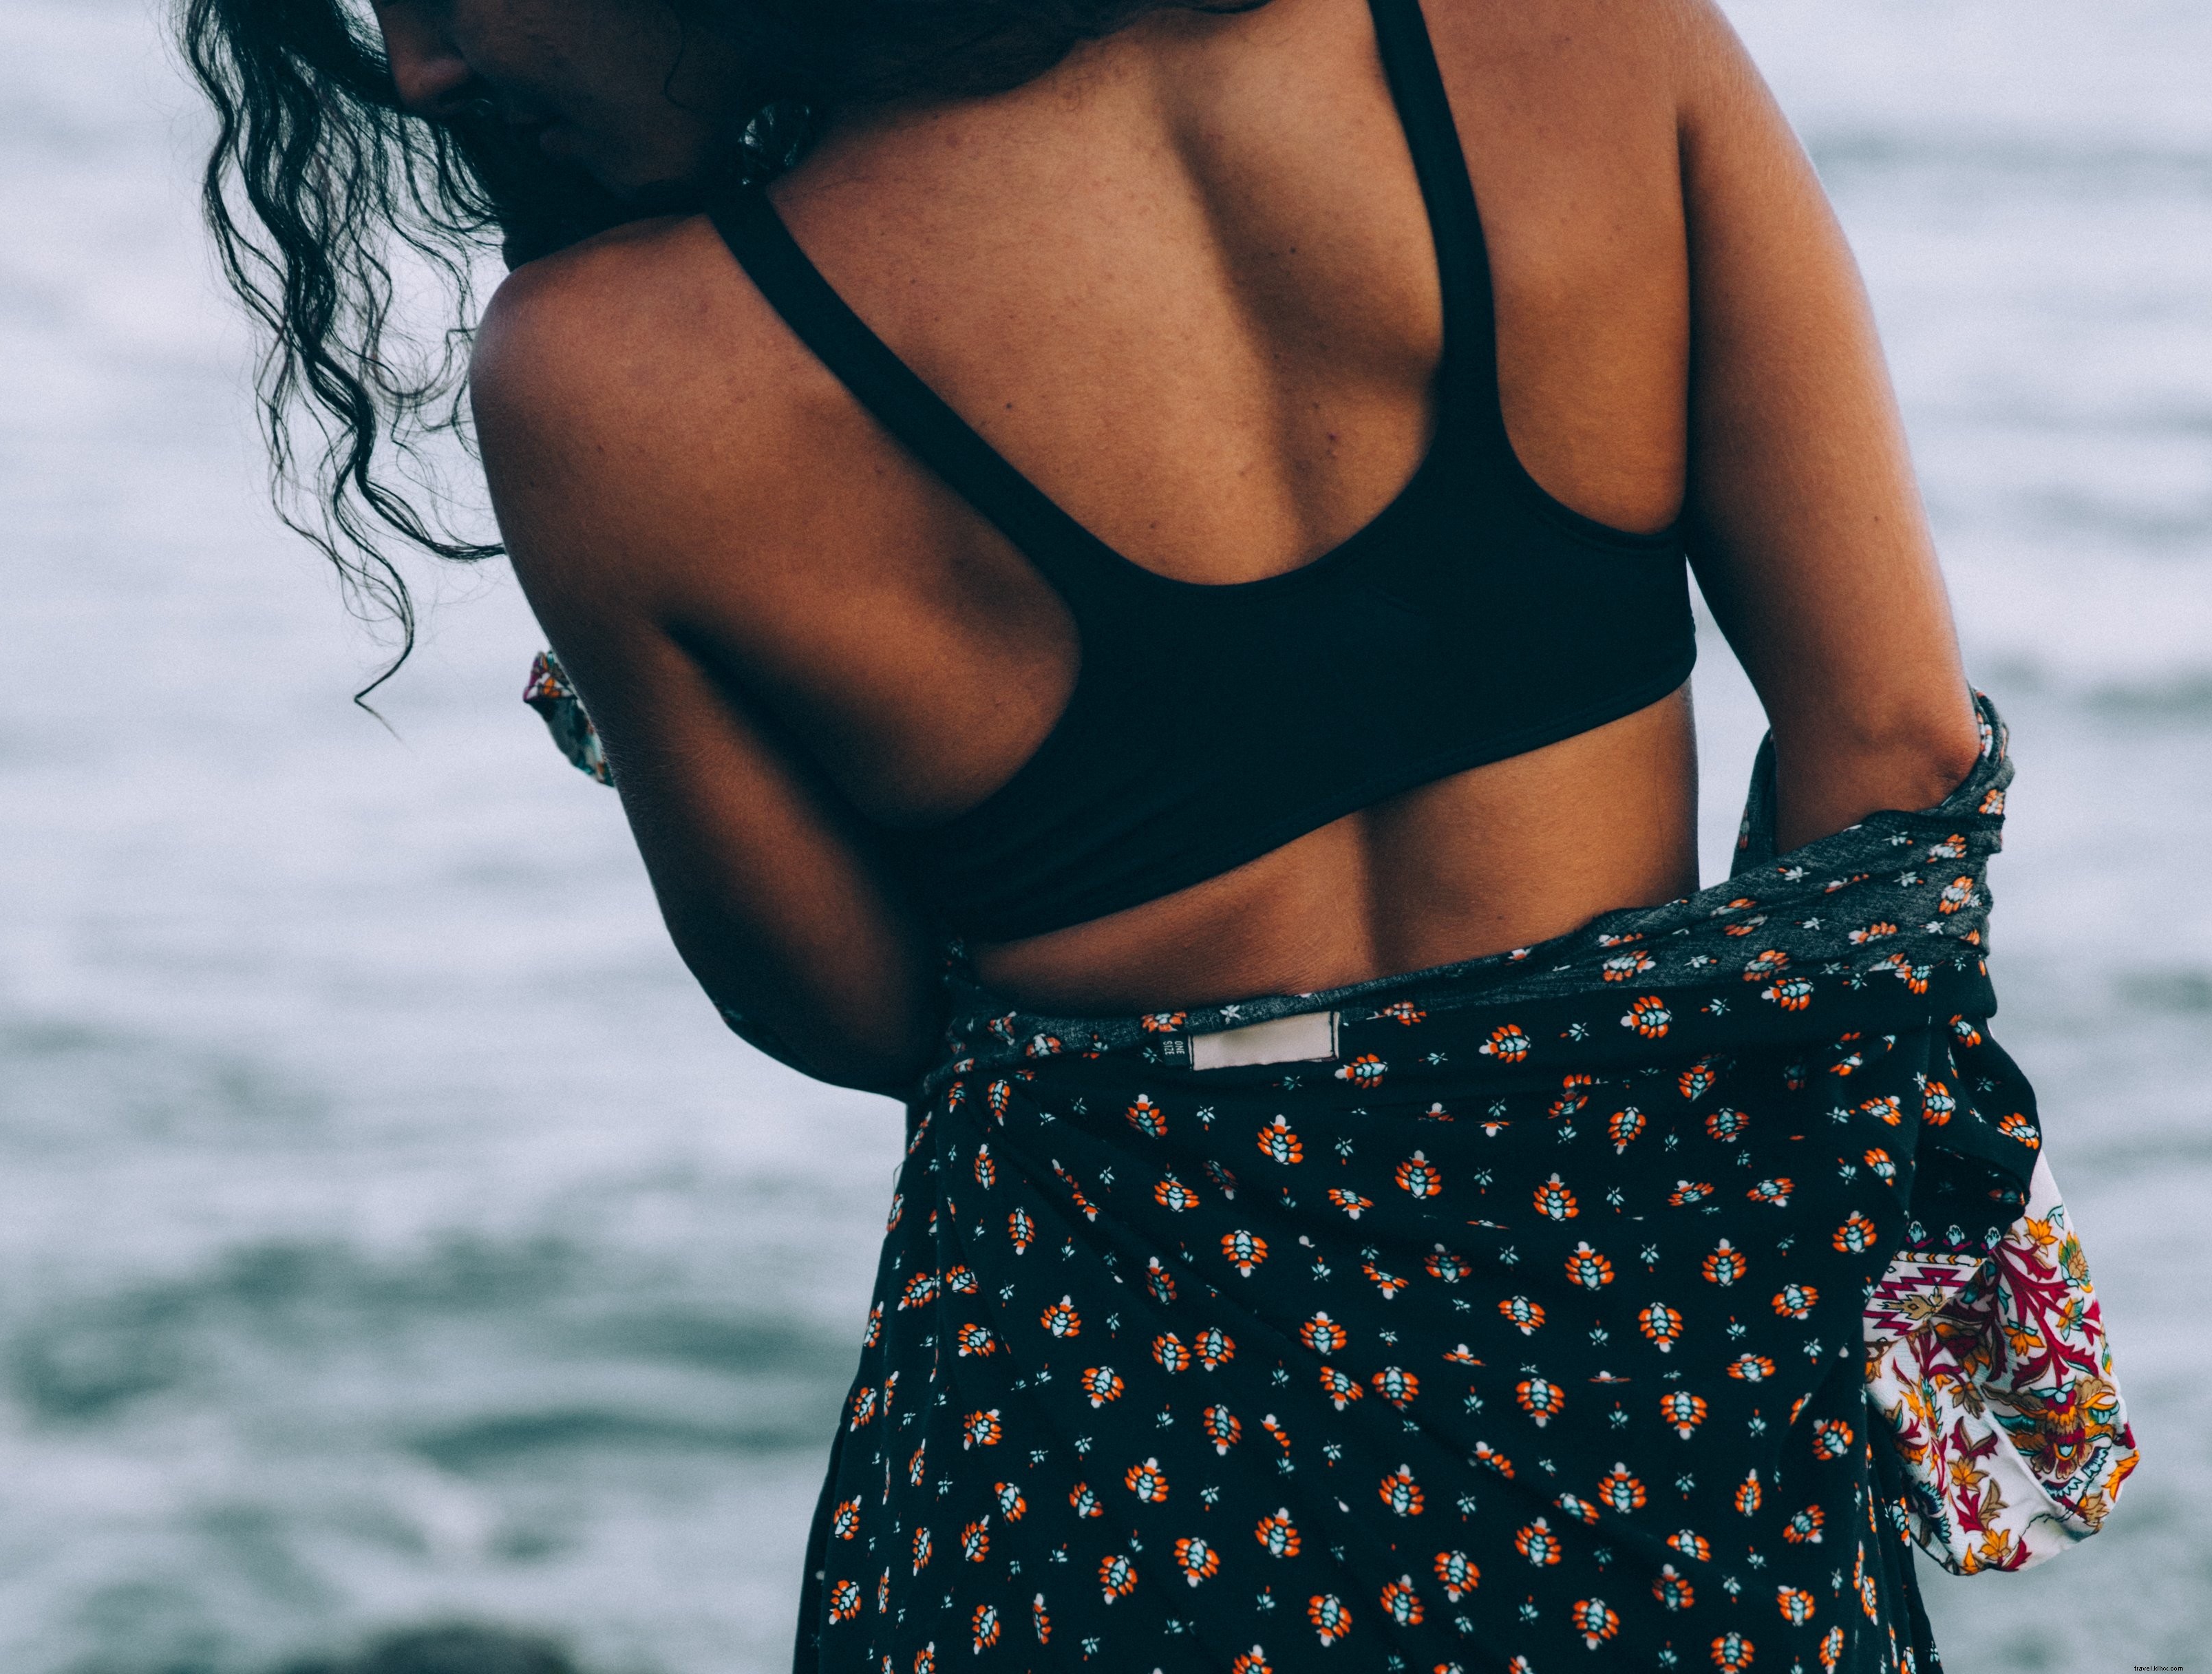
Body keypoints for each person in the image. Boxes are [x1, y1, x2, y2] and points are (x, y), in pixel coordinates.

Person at [181, 0, 2138, 1666]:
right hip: (1674, 1426)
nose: (418, 68)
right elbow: (1894, 749)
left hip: (1098, 1488)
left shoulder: (610, 372)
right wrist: (1671, 1208)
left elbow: (856, 1013)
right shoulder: (1573, 39)